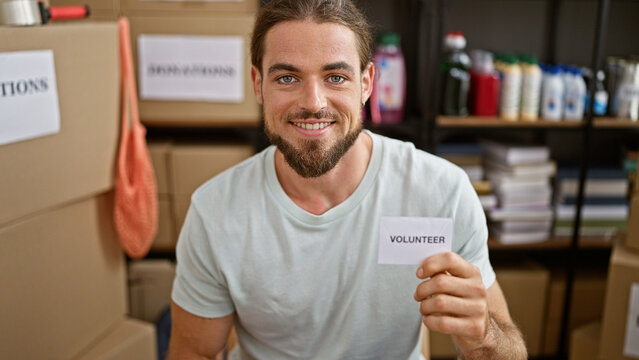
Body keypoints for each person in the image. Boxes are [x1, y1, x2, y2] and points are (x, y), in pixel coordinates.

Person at [168, 0, 527, 359]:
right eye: (287, 78)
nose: (313, 102)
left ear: (367, 83)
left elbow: (508, 352)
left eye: (335, 77)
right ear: (258, 85)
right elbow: (193, 352)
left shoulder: (441, 192)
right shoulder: (214, 211)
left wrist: (484, 336)